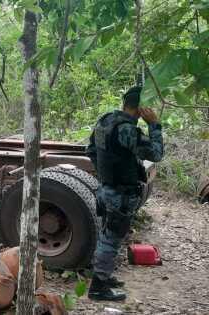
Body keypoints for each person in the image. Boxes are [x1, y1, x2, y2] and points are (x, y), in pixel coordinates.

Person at [85, 86, 164, 301]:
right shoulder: (127, 130)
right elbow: (156, 154)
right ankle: (98, 288)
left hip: (107, 189)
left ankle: (104, 276)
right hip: (120, 194)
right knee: (111, 240)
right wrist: (154, 125)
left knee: (106, 236)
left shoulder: (106, 120)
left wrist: (106, 174)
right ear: (141, 108)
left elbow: (90, 149)